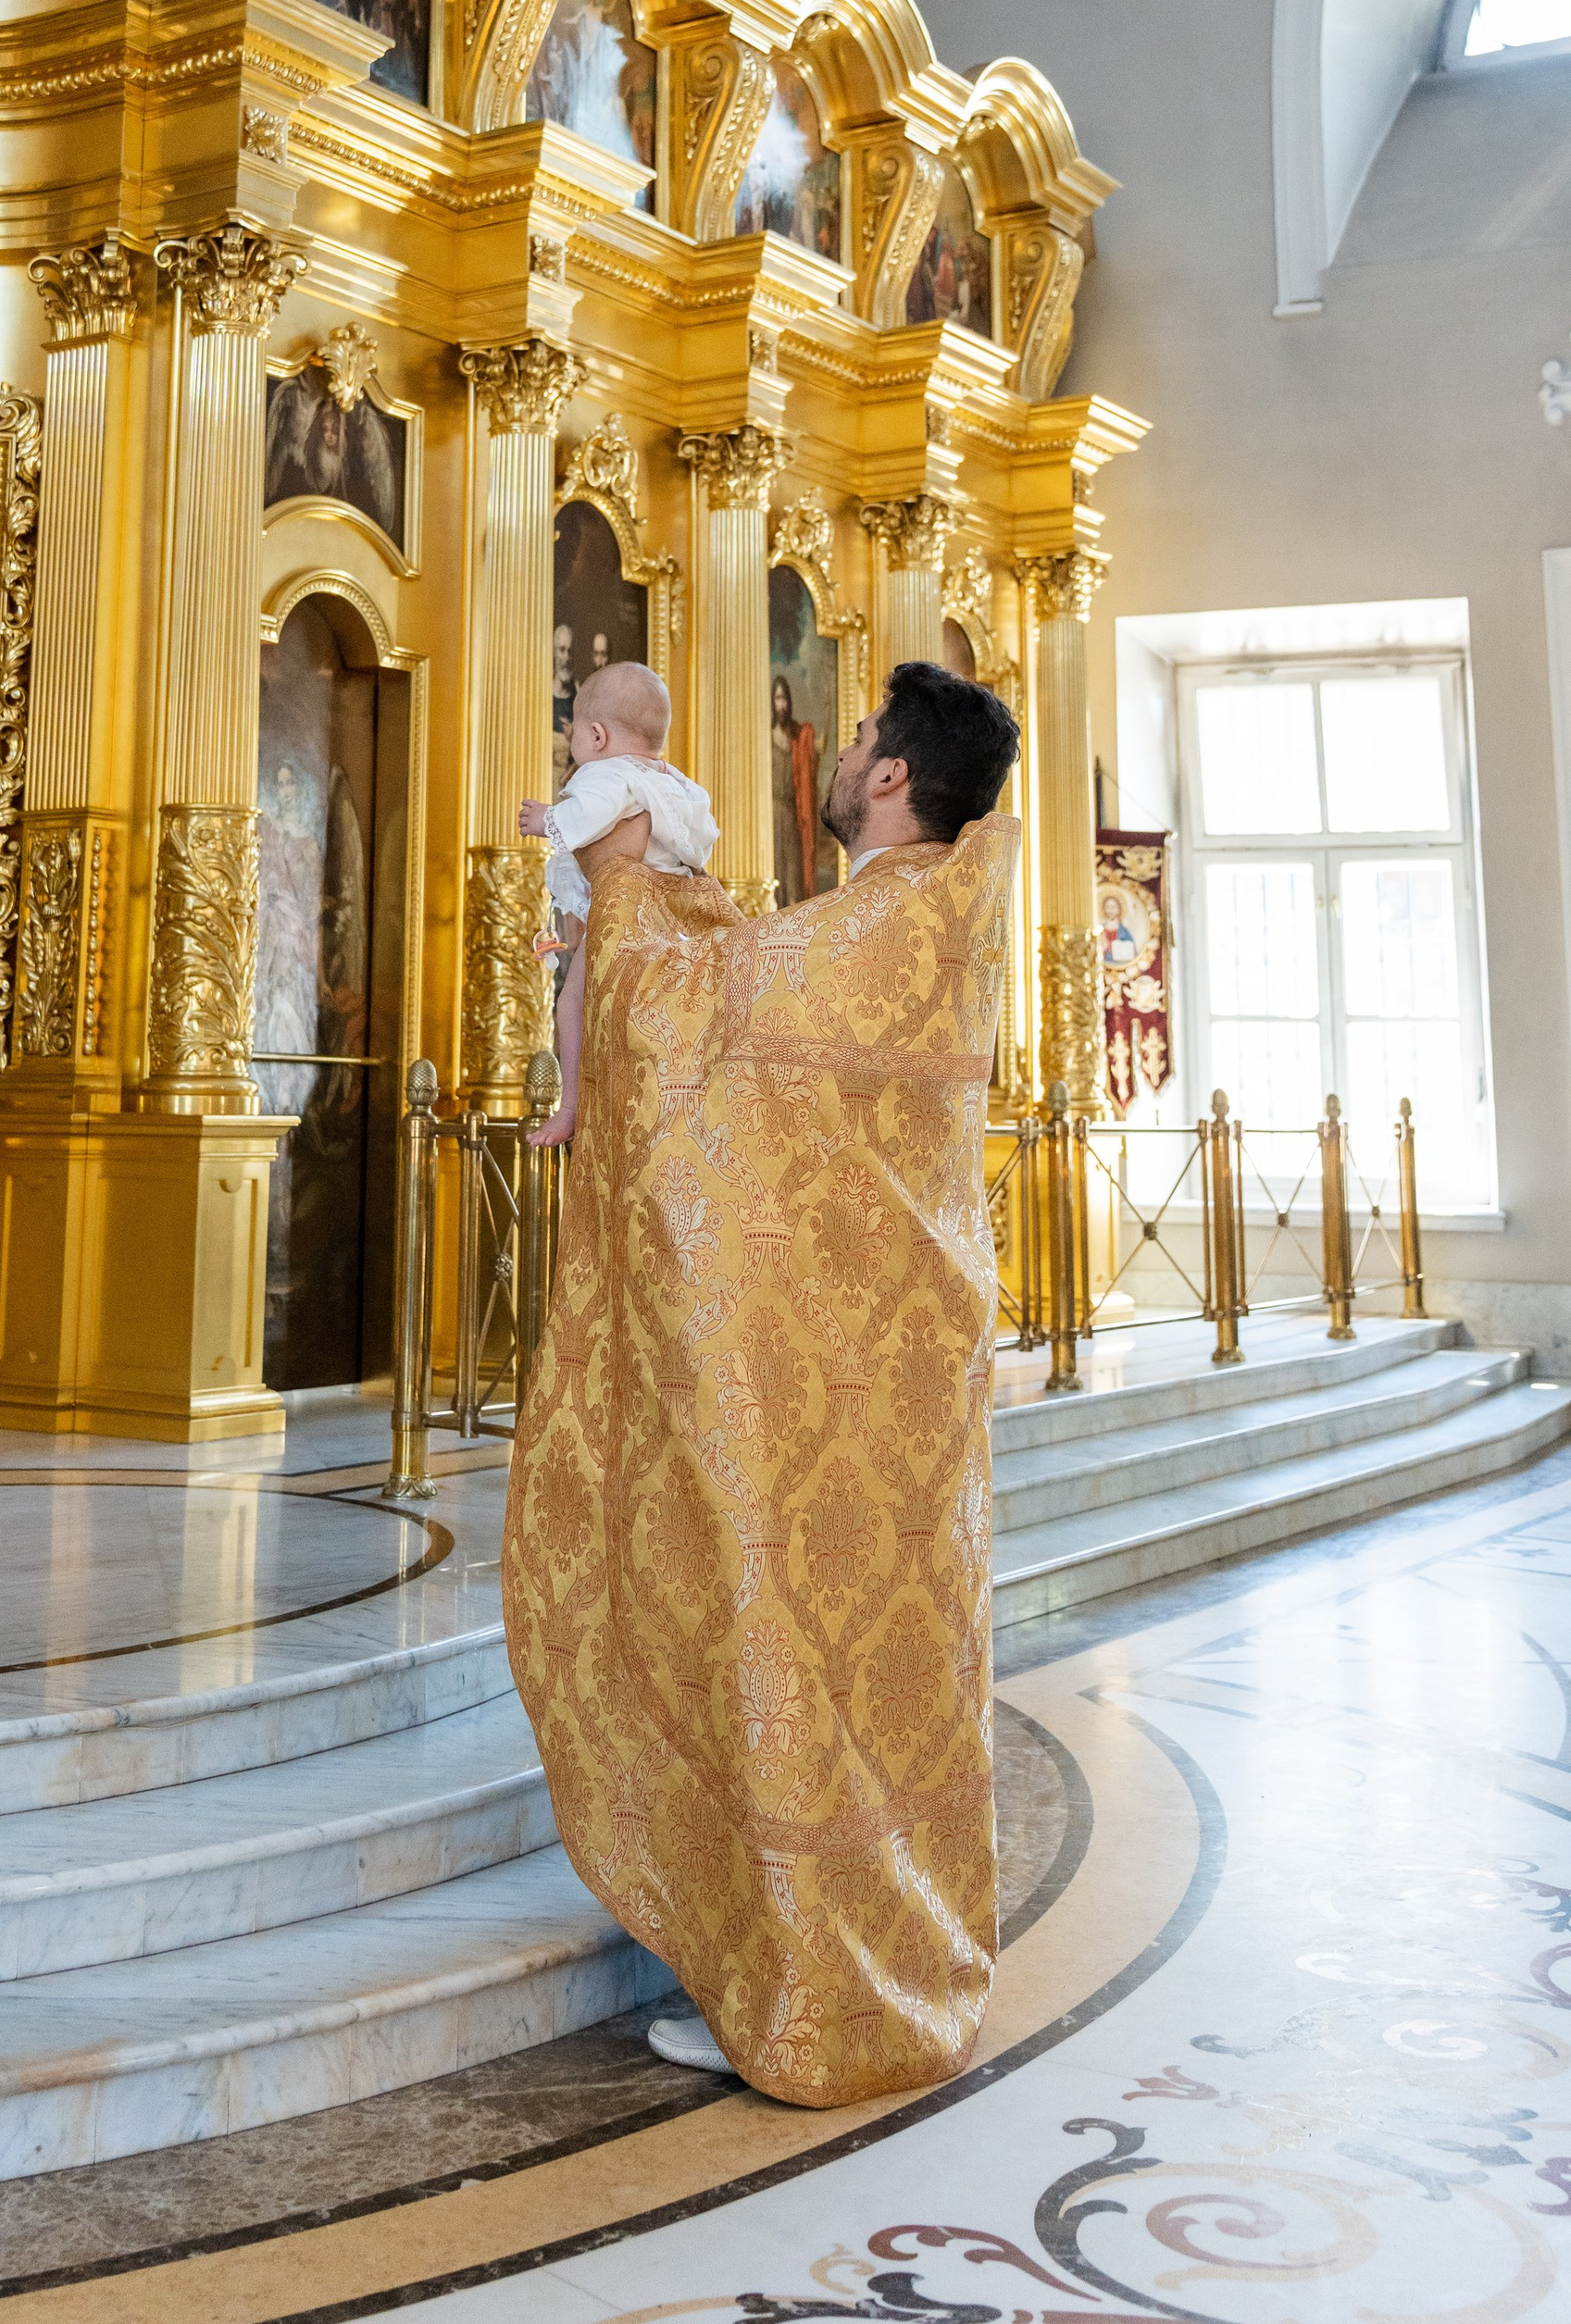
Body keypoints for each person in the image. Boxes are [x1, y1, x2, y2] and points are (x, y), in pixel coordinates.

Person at [504, 659, 1019, 2107]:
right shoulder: (908, 918)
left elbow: (685, 1019)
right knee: (869, 1686)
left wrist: (623, 878)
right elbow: (752, 985)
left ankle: (819, 1993)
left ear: (893, 776)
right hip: (886, 1393)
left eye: (856, 741)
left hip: (833, 1394)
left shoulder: (883, 920)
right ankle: (863, 1953)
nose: (838, 756)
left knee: (808, 1669)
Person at [516, 662, 716, 1150]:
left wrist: (547, 819)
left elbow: (588, 815)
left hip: (625, 916)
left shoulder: (607, 775)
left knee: (571, 1004)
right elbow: (703, 836)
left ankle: (570, 1107)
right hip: (677, 919)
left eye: (575, 735)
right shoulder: (679, 785)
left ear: (597, 735)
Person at [769, 672, 821, 908]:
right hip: (770, 814)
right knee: (773, 865)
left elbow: (807, 765)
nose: (781, 704)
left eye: (784, 699)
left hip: (791, 812)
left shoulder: (796, 737)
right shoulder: (765, 737)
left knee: (793, 870)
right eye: (777, 698)